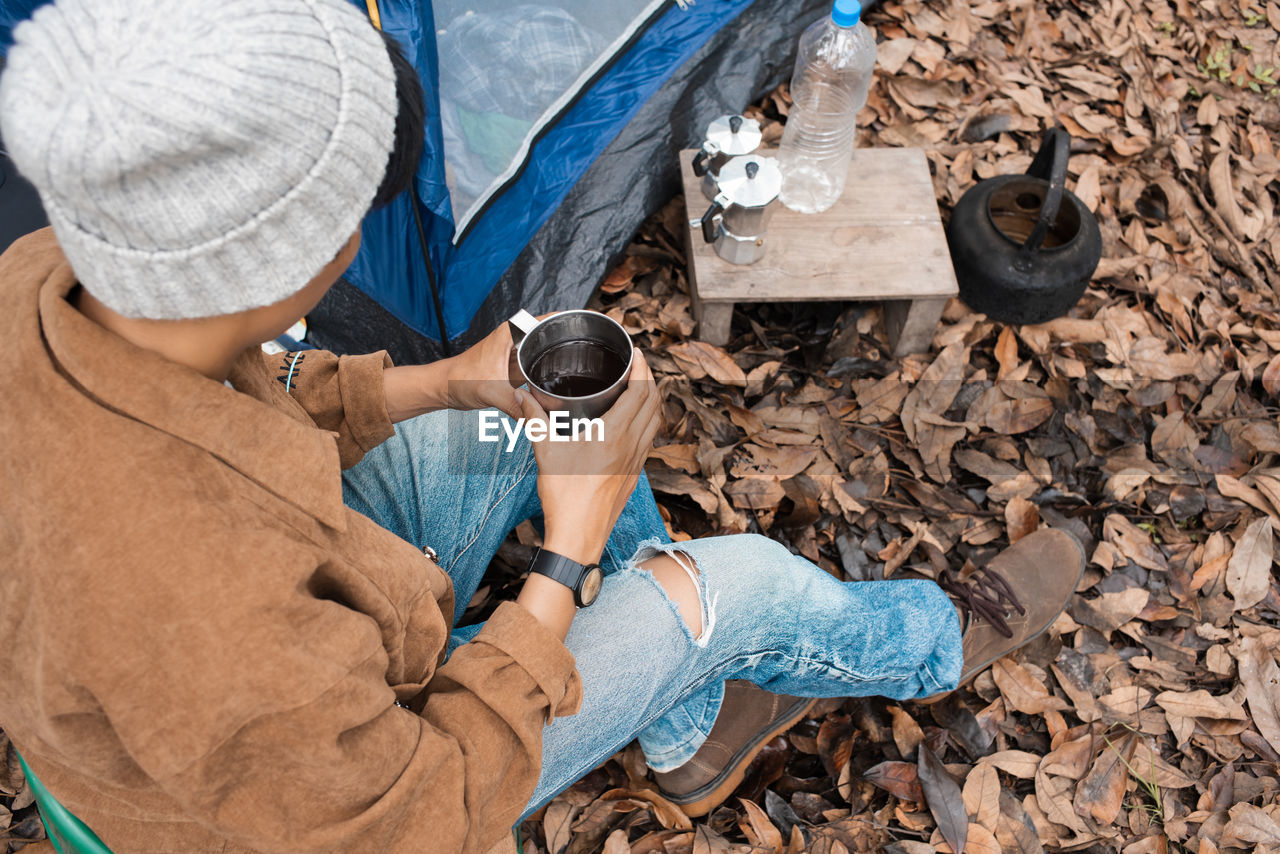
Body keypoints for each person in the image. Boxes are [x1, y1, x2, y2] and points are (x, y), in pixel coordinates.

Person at [0, 0, 1084, 851]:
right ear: (287, 265)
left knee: (538, 414)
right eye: (355, 217)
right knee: (735, 582)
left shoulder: (55, 275)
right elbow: (417, 814)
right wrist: (564, 560)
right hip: (336, 793)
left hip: (278, 641)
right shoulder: (200, 613)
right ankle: (932, 640)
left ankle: (683, 725)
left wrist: (437, 384)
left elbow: (243, 403)